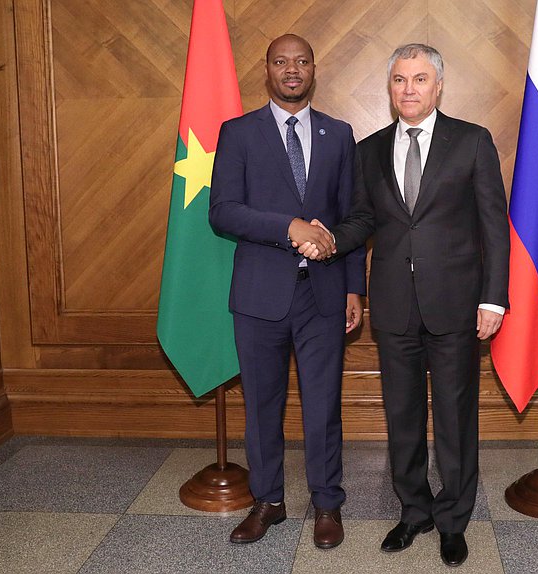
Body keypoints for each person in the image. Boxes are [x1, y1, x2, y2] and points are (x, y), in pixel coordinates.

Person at [299, 43, 509, 567]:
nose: (408, 89)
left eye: (419, 79)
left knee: (457, 417)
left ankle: (454, 520)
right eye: (398, 80)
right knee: (404, 416)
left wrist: (494, 300)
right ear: (389, 88)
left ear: (438, 85)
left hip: (458, 305)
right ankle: (413, 511)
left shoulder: (473, 141)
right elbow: (363, 221)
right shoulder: (368, 150)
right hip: (394, 306)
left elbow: (494, 229)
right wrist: (325, 240)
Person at [209, 33, 366, 549]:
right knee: (261, 405)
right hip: (259, 296)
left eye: (301, 61)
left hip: (323, 294)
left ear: (314, 68)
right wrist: (291, 227)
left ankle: (326, 503)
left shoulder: (340, 134)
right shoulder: (238, 133)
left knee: (323, 405)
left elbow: (354, 218)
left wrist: (353, 288)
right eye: (282, 62)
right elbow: (224, 211)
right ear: (268, 69)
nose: (292, 70)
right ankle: (268, 502)